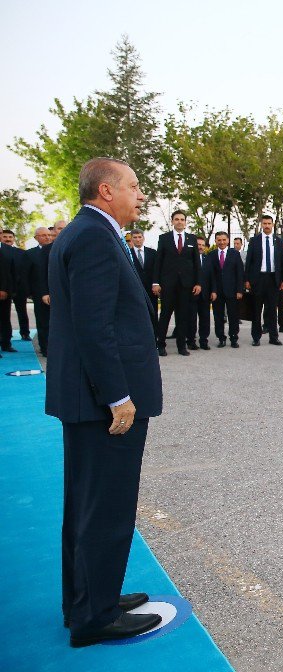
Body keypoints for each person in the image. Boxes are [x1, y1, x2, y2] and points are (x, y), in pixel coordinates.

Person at [46, 157, 163, 647]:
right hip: (103, 404)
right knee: (106, 509)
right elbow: (97, 327)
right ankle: (95, 617)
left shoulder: (83, 231)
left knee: (87, 506)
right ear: (106, 191)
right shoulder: (94, 235)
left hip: (86, 399)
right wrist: (118, 397)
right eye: (134, 186)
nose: (142, 195)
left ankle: (90, 599)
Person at [152, 210, 201, 356]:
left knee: (183, 316)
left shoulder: (192, 239)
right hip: (168, 284)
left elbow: (196, 263)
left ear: (186, 222)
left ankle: (181, 346)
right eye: (177, 219)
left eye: (182, 219)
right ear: (172, 221)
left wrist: (198, 283)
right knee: (165, 315)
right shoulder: (164, 238)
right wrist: (156, 282)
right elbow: (158, 262)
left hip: (186, 285)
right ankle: (160, 345)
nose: (180, 222)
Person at [244, 215, 283, 346]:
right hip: (258, 279)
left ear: (273, 224)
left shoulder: (279, 242)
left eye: (269, 223)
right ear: (261, 224)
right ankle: (256, 337)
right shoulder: (255, 241)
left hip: (273, 279)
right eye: (264, 223)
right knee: (256, 310)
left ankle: (273, 337)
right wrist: (246, 279)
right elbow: (249, 261)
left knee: (272, 311)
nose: (267, 226)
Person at [203, 231, 245, 347]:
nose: (221, 242)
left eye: (224, 240)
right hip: (217, 292)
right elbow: (210, 275)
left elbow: (240, 273)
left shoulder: (234, 254)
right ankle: (221, 338)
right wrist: (213, 290)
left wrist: (239, 290)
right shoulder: (211, 255)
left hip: (232, 291)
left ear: (227, 240)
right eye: (219, 240)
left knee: (233, 316)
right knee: (218, 316)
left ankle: (233, 338)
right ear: (215, 241)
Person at [24, 226, 53, 356]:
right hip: (40, 294)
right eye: (43, 235)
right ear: (36, 238)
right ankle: (45, 347)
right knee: (43, 321)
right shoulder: (29, 254)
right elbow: (27, 275)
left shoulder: (56, 249)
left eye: (49, 235)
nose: (47, 237)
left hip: (56, 293)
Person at [0, 229, 30, 350]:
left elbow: (9, 272)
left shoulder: (9, 251)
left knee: (4, 318)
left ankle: (6, 344)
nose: (7, 239)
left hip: (5, 291)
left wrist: (5, 289)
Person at [129, 230, 157, 326]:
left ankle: (154, 337)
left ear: (143, 238)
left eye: (140, 237)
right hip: (135, 289)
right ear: (131, 239)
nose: (138, 239)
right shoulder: (128, 254)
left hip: (151, 290)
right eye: (135, 237)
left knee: (152, 314)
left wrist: (156, 284)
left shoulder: (153, 253)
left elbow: (157, 270)